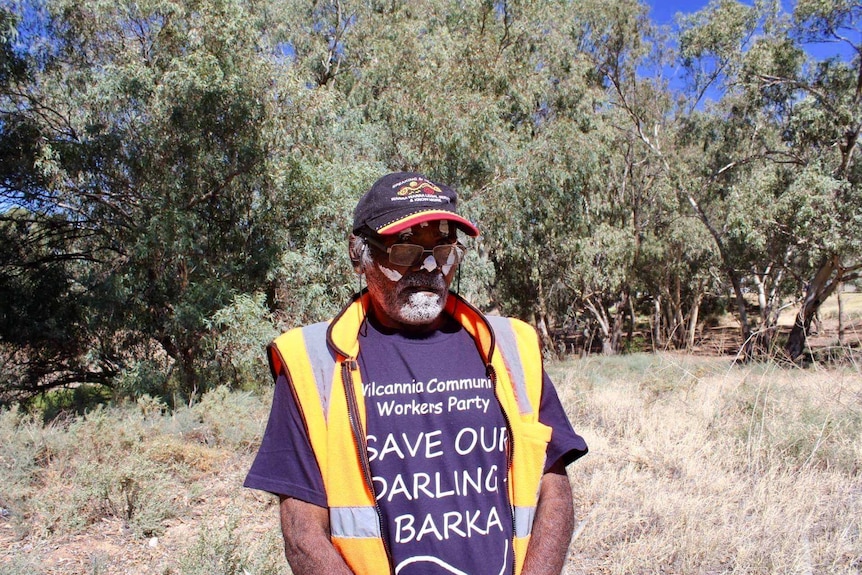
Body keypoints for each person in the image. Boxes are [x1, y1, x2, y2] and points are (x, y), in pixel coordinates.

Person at [244, 172, 588, 575]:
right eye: (404, 251)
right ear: (359, 255)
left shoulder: (513, 346)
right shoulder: (311, 363)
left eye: (442, 252)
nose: (428, 269)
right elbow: (303, 534)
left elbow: (554, 487)